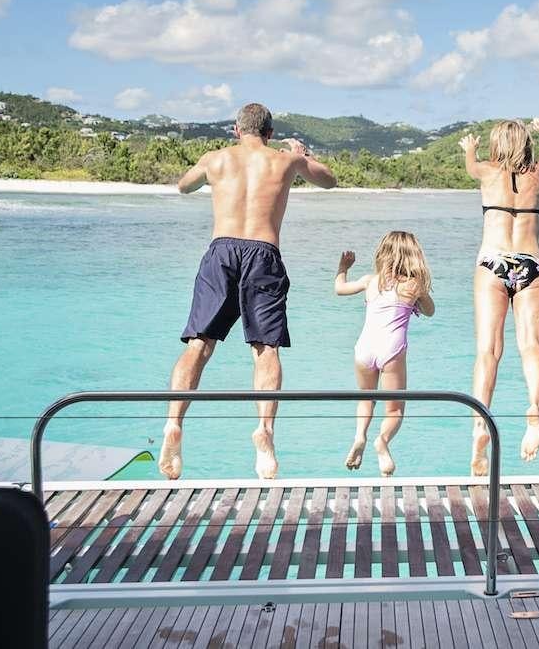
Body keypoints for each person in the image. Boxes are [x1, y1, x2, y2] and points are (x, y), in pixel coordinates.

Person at [159, 102, 337, 481]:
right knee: (265, 349)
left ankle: (174, 423)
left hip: (221, 251)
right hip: (263, 251)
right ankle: (265, 431)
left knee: (198, 345)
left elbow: (183, 186)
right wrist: (302, 154)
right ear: (270, 132)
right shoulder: (285, 160)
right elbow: (329, 180)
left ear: (237, 130)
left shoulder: (216, 158)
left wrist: (208, 171)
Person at [459, 117, 539, 475]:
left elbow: (470, 166)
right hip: (530, 262)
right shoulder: (538, 175)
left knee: (488, 350)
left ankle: (479, 424)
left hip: (493, 262)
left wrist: (470, 150)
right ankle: (534, 411)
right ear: (526, 145)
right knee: (531, 345)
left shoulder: (487, 172)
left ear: (496, 145)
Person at [335, 232, 435, 476]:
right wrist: (419, 298)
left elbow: (339, 288)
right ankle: (382, 441)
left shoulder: (371, 280)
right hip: (391, 349)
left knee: (366, 398)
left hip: (364, 348)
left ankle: (360, 436)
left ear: (383, 254)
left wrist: (343, 267)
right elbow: (430, 311)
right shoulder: (414, 285)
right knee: (395, 410)